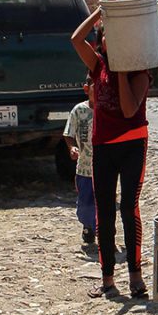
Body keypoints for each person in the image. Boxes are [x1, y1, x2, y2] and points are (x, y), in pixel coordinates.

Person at [71, 0, 152, 299]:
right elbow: (76, 39)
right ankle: (107, 279)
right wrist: (99, 11)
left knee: (129, 209)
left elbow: (130, 110)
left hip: (132, 144)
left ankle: (135, 274)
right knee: (104, 212)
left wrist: (121, 69)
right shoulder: (98, 66)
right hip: (102, 145)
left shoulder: (140, 71)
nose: (109, 43)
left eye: (118, 38)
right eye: (107, 38)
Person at [63, 79, 96, 246]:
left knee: (103, 202)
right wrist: (72, 147)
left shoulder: (108, 111)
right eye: (95, 88)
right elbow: (68, 134)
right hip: (84, 169)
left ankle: (102, 229)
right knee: (85, 202)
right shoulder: (79, 111)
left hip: (105, 169)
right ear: (86, 89)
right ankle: (88, 225)